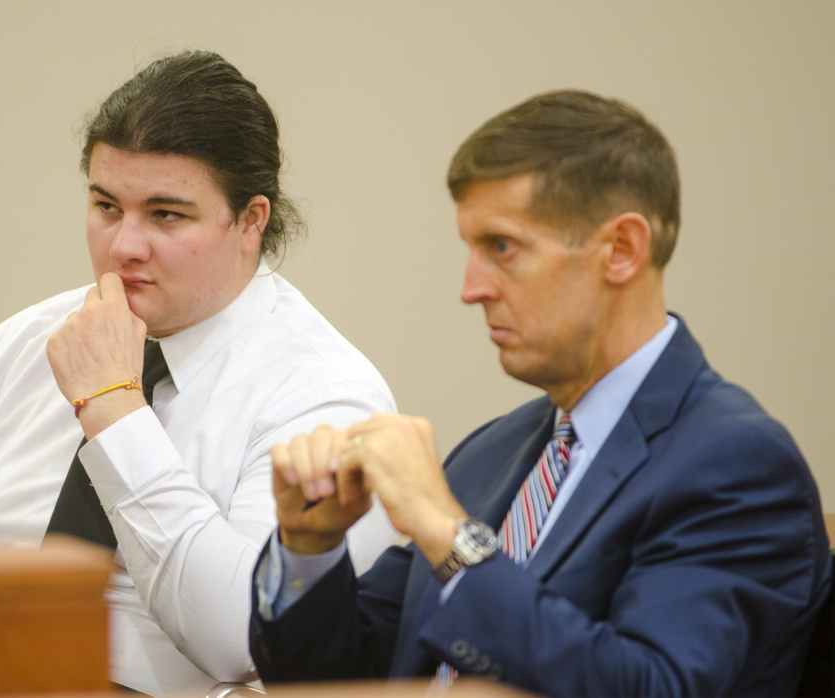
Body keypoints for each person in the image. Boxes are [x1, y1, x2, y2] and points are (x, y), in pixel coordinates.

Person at [0, 50, 398, 696]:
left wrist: (112, 409)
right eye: (106, 206)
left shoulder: (325, 393)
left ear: (250, 220)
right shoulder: (24, 344)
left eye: (165, 215)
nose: (124, 246)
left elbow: (244, 644)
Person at [248, 90, 832, 697]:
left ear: (622, 250)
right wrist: (308, 546)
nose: (471, 289)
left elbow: (651, 687)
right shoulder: (491, 452)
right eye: (471, 250)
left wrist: (449, 534)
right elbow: (343, 679)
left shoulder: (737, 465)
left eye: (502, 248)